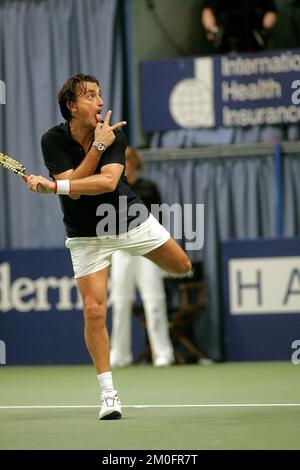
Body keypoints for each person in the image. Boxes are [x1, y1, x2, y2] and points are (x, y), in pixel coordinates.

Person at [25, 74, 191, 421]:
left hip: (129, 221)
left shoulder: (114, 134)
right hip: (86, 235)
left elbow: (106, 182)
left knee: (182, 267)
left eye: (100, 95)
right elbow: (74, 185)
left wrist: (57, 184)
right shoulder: (52, 140)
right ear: (72, 106)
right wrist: (65, 184)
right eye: (90, 96)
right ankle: (109, 394)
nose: (100, 102)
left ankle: (142, 252)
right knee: (94, 309)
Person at [110, 147, 174, 368]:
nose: (125, 163)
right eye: (121, 160)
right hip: (120, 248)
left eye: (128, 160)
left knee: (154, 301)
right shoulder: (110, 186)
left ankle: (163, 353)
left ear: (135, 162)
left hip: (148, 248)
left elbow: (160, 219)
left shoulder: (148, 187)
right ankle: (119, 355)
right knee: (120, 302)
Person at [201, 0, 277, 53]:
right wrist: (211, 29)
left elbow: (271, 12)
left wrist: (265, 29)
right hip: (226, 39)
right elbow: (208, 11)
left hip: (253, 38)